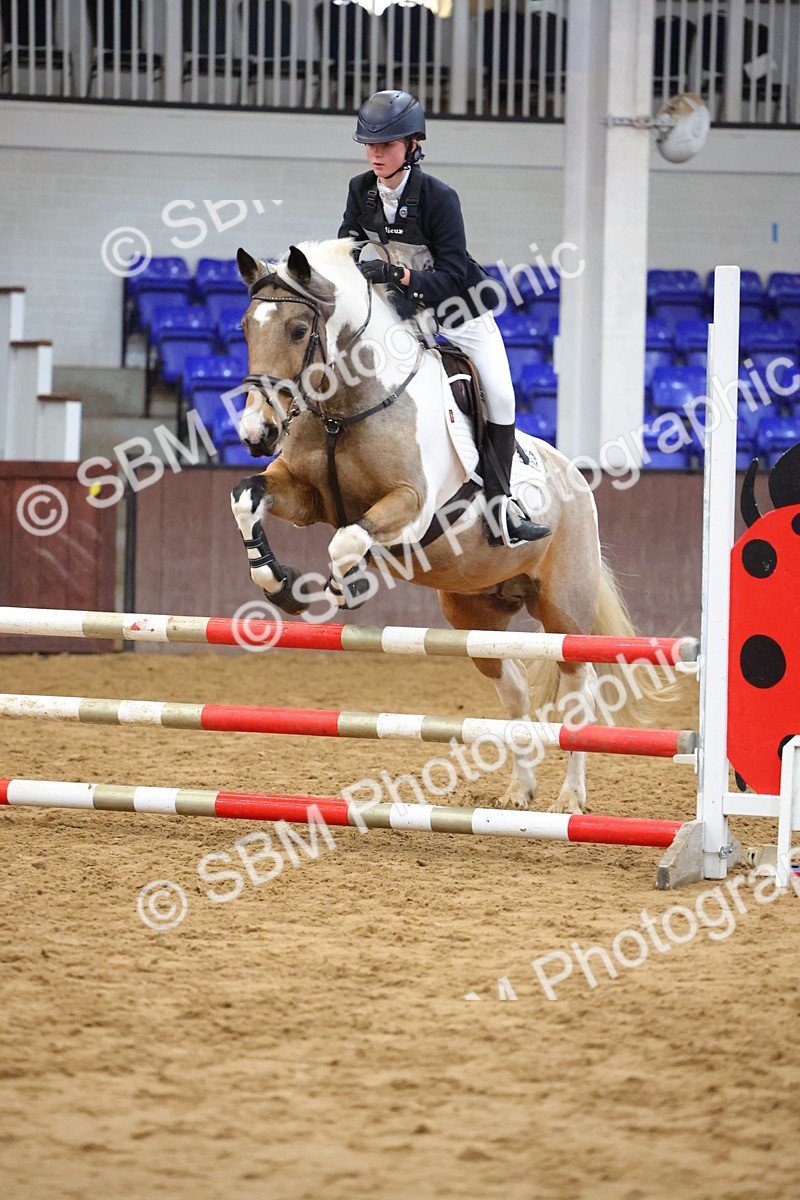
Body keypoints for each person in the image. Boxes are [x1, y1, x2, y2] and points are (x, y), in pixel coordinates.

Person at [338, 89, 550, 549]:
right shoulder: (360, 191)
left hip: (461, 313)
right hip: (407, 317)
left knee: (501, 395)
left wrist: (395, 272)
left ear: (412, 145)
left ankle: (500, 507)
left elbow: (453, 274)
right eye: (370, 145)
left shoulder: (439, 197)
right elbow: (347, 247)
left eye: (387, 145)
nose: (376, 154)